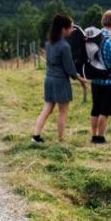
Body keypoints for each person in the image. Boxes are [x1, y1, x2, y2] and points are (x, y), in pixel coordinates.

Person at [32, 14, 87, 143]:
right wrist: (81, 80)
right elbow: (70, 69)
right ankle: (61, 139)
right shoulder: (65, 46)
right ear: (63, 29)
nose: (73, 30)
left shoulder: (49, 43)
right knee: (63, 112)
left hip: (49, 79)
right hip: (60, 82)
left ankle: (36, 136)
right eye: (71, 28)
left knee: (47, 109)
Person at [88, 10, 111, 144]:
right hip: (108, 82)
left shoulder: (93, 38)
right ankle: (100, 137)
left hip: (95, 80)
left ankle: (93, 136)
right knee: (105, 110)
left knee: (95, 108)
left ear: (103, 22)